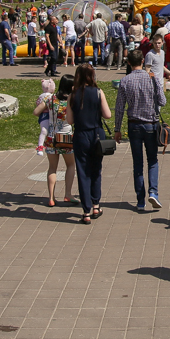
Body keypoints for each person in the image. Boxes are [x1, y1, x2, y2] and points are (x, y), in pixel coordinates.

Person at [114, 49, 167, 211]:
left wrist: (117, 128)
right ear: (143, 61)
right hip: (151, 124)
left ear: (128, 63)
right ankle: (153, 192)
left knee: (137, 163)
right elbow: (163, 101)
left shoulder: (124, 81)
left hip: (134, 125)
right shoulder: (152, 78)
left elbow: (119, 107)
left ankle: (140, 200)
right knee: (152, 160)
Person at [66, 64, 111, 224]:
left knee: (83, 172)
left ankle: (85, 212)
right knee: (96, 170)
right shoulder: (99, 92)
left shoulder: (72, 95)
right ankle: (96, 205)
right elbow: (108, 115)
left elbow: (69, 120)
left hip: (80, 135)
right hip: (96, 134)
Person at [33, 75, 77, 207]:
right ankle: (68, 194)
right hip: (67, 137)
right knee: (70, 165)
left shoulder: (50, 98)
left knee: (52, 168)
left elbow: (36, 112)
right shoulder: (72, 100)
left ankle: (51, 197)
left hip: (51, 138)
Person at [34, 78, 56, 156]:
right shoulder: (49, 96)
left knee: (44, 131)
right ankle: (40, 146)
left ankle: (43, 145)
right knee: (45, 130)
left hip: (47, 115)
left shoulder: (43, 96)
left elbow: (37, 103)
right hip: (46, 114)